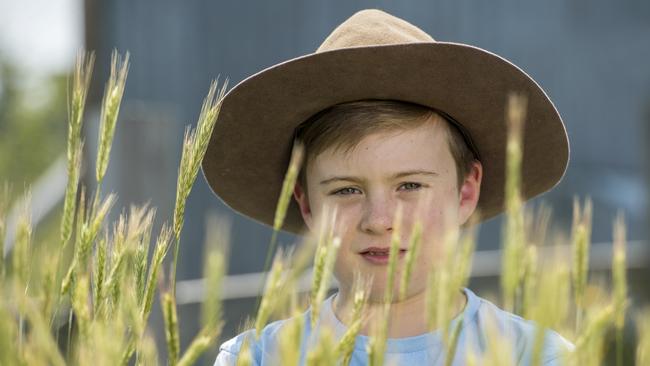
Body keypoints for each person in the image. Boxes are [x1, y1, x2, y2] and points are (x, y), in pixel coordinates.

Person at [202, 8, 572, 365]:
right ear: (308, 204)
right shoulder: (259, 358)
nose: (379, 221)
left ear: (465, 192)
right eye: (346, 190)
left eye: (409, 185)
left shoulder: (538, 356)